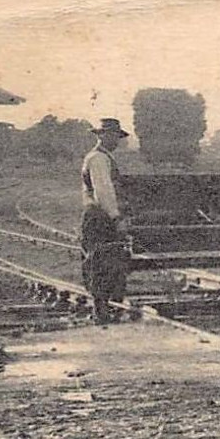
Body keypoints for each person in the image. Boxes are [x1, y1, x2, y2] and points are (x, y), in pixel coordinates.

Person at [80, 118, 131, 324]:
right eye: (110, 135)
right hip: (100, 218)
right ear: (100, 135)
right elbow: (103, 191)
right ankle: (101, 312)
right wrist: (116, 217)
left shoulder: (105, 157)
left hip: (103, 216)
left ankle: (111, 310)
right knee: (101, 263)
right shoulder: (98, 159)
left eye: (117, 136)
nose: (115, 140)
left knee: (113, 263)